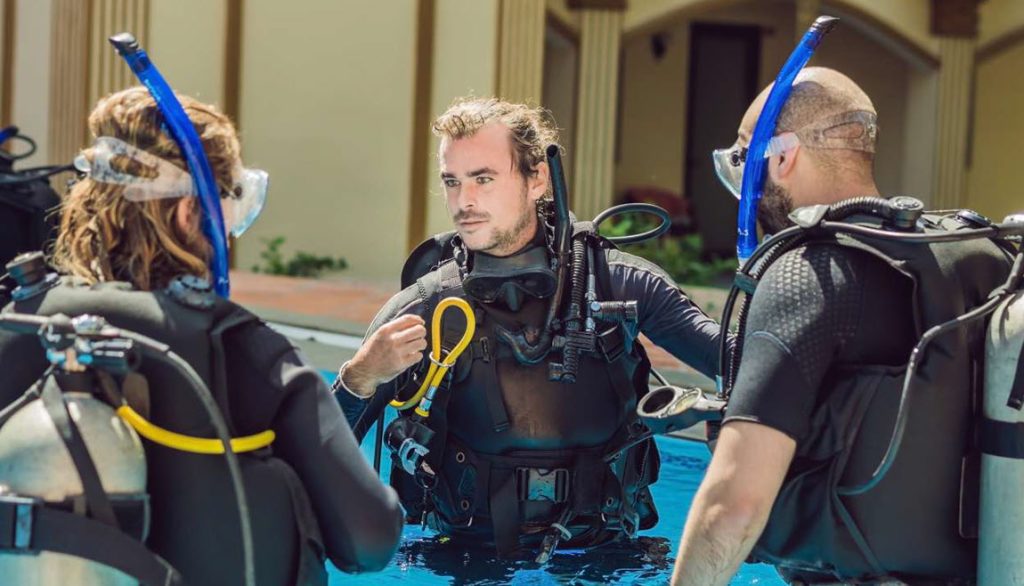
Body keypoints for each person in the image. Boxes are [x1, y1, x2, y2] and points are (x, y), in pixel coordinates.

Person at [0, 85, 403, 585]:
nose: (231, 229)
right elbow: (371, 539)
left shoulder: (19, 324)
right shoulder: (245, 351)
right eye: (233, 200)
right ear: (188, 212)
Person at [335, 97, 731, 560]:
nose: (465, 201)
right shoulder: (425, 307)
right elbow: (317, 454)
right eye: (452, 181)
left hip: (603, 559)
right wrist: (359, 377)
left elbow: (744, 367)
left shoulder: (618, 284)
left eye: (483, 178)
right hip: (464, 560)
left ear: (537, 178)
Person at [672, 67, 1011, 585]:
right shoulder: (977, 252)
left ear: (782, 157)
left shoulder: (807, 274)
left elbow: (732, 508)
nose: (740, 187)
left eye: (743, 161)